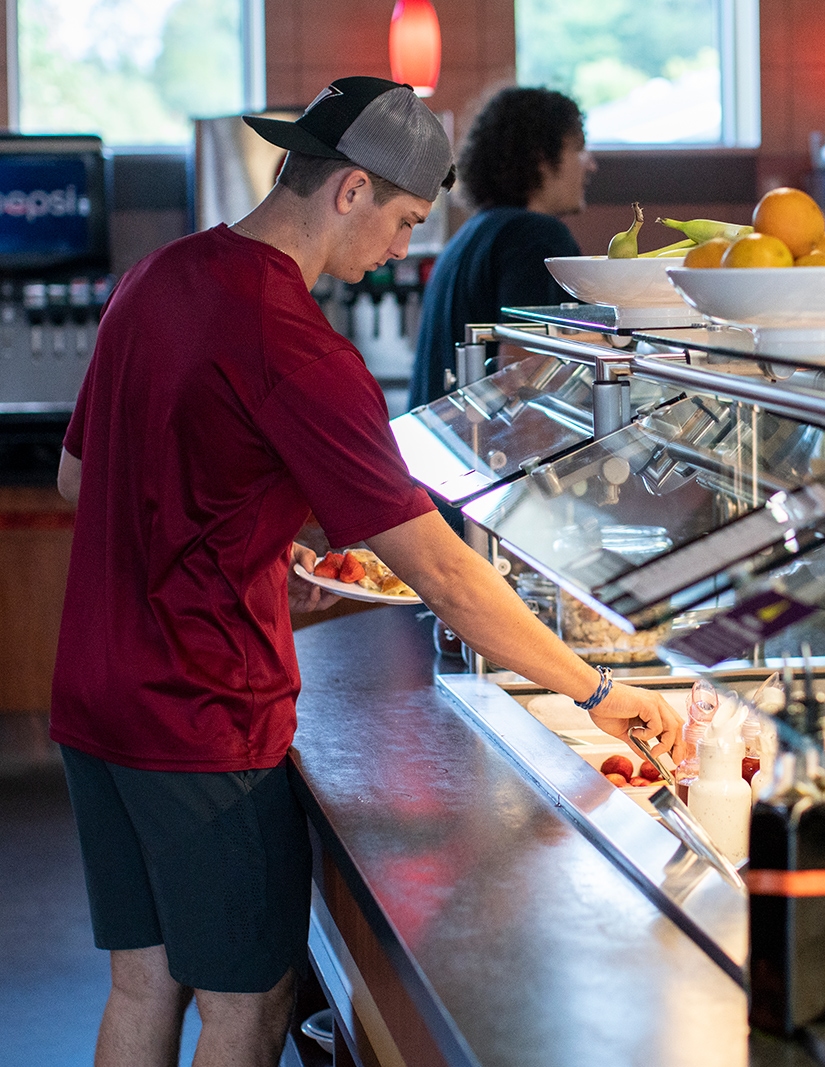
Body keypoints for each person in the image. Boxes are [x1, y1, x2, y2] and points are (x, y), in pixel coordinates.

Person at [52, 76, 682, 1067]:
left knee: (144, 983)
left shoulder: (156, 275)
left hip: (94, 696)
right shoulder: (297, 344)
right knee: (245, 1009)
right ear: (349, 190)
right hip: (204, 715)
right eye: (403, 221)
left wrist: (249, 537)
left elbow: (81, 477)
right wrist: (596, 686)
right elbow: (441, 572)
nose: (402, 249)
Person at [409, 86, 596, 409]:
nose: (590, 164)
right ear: (542, 159)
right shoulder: (536, 237)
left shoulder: (473, 233)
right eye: (578, 149)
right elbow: (526, 382)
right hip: (488, 452)